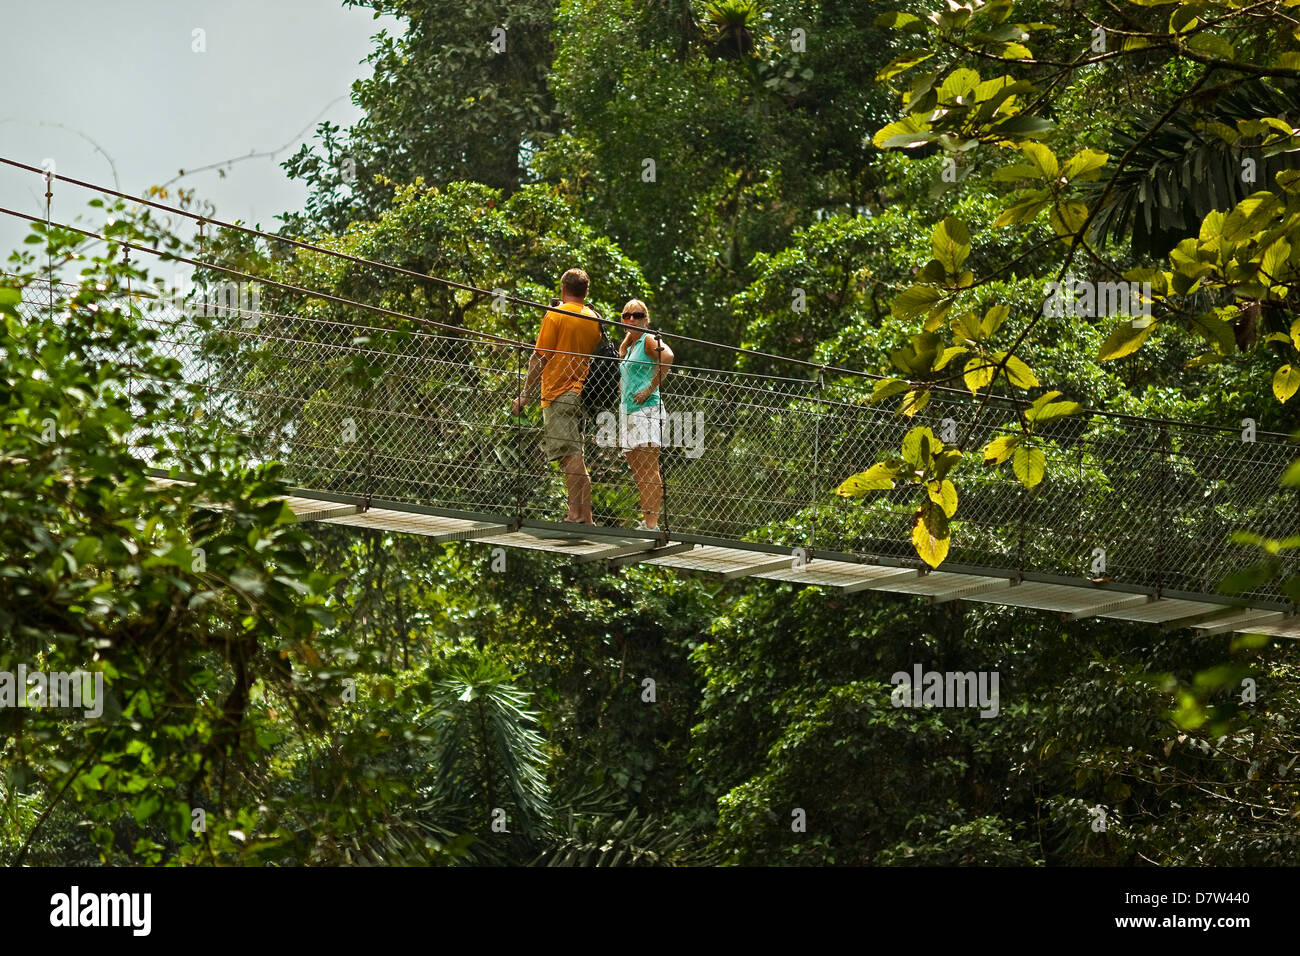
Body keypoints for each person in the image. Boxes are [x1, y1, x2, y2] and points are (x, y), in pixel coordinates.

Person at [511, 268, 602, 524]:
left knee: (569, 455)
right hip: (583, 394)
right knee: (576, 454)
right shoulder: (593, 317)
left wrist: (525, 396)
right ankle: (586, 516)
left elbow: (539, 357)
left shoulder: (556, 315)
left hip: (559, 393)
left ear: (563, 289)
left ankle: (574, 516)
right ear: (586, 291)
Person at [616, 298, 673, 531]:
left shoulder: (648, 340)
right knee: (638, 471)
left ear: (645, 319)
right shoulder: (629, 345)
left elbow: (667, 357)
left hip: (647, 410)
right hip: (628, 412)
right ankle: (646, 522)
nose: (631, 319)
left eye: (637, 315)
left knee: (650, 468)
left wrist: (650, 388)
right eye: (626, 315)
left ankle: (652, 525)